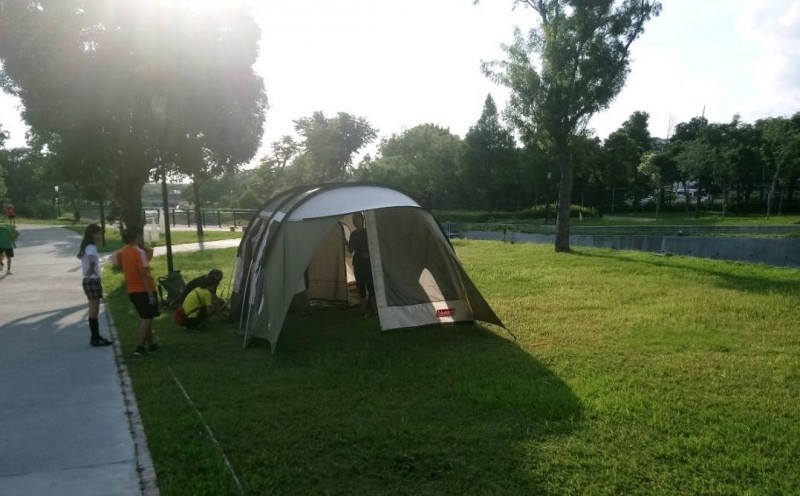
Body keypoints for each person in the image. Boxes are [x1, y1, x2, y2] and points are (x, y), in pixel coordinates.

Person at [119, 226, 159, 356]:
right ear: (137, 236)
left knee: (146, 318)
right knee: (146, 319)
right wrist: (150, 295)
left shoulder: (125, 251)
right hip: (144, 290)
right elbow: (144, 274)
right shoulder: (139, 253)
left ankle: (151, 344)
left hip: (132, 290)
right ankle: (140, 347)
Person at [77, 223, 112, 346]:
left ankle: (96, 337)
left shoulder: (87, 246)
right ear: (92, 234)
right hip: (91, 281)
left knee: (94, 310)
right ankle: (95, 338)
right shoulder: (90, 247)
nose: (100, 236)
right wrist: (92, 267)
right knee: (94, 310)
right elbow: (91, 259)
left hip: (90, 280)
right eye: (98, 234)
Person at [346, 211, 375, 315]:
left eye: (357, 219)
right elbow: (350, 250)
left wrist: (368, 255)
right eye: (354, 219)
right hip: (357, 262)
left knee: (370, 284)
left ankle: (374, 307)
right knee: (360, 285)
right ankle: (363, 308)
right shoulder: (353, 235)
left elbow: (373, 247)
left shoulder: (367, 232)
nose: (355, 221)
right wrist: (346, 242)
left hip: (367, 263)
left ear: (362, 220)